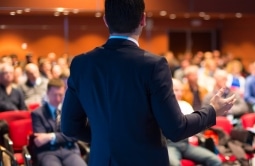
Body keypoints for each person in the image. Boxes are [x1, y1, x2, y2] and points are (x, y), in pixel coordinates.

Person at [60, 0, 236, 165]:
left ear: (106, 20)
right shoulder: (153, 65)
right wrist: (212, 110)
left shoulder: (81, 64)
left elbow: (69, 127)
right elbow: (175, 129)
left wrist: (105, 137)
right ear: (143, 19)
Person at [31, 78, 86, 166]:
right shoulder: (37, 113)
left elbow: (74, 136)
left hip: (69, 150)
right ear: (47, 93)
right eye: (54, 95)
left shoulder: (69, 111)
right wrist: (64, 136)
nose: (57, 99)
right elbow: (40, 140)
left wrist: (51, 136)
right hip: (48, 152)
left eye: (60, 95)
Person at [167, 78, 221, 166]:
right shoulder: (162, 108)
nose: (180, 93)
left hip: (186, 144)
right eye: (176, 90)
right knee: (175, 164)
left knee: (215, 160)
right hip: (170, 145)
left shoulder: (185, 105)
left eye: (181, 90)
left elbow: (195, 124)